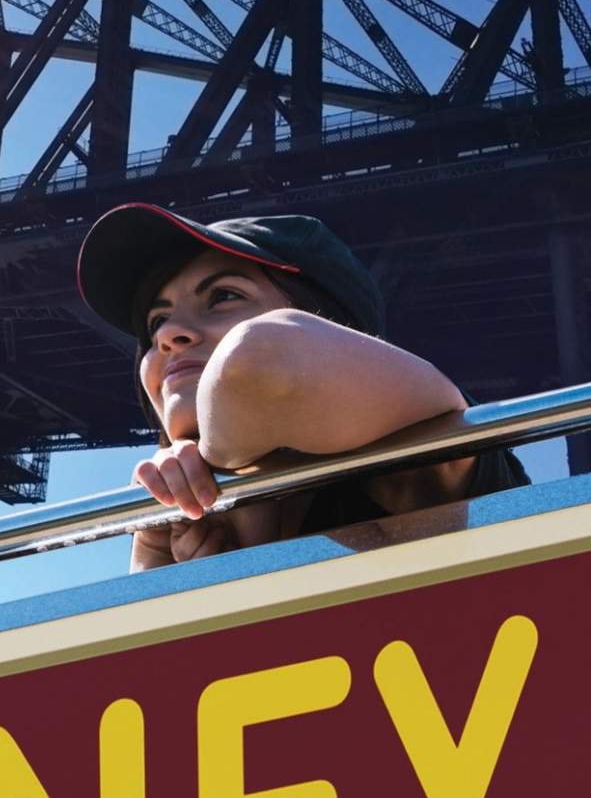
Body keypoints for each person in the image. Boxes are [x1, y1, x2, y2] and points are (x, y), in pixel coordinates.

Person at [76, 204, 529, 571]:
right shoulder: (178, 537)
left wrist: (229, 482)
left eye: (224, 296)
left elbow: (260, 356)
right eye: (156, 320)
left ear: (328, 323)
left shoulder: (416, 435)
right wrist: (153, 562)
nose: (167, 333)